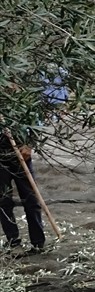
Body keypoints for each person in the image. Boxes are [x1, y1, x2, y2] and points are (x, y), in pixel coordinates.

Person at [0, 106, 46, 253]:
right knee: (3, 200)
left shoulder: (25, 101)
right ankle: (13, 242)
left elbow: (36, 124)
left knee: (31, 199)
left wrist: (29, 145)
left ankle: (38, 242)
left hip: (21, 153)